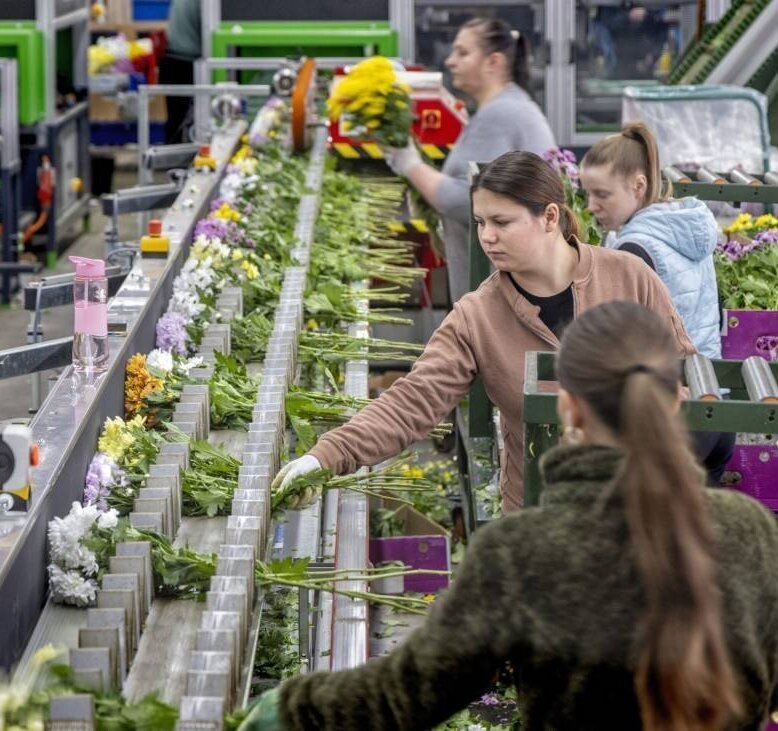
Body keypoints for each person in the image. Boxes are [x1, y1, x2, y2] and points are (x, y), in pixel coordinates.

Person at [243, 301, 778, 730]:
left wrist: (287, 711)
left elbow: (403, 697)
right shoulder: (749, 532)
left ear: (566, 406)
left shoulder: (523, 553)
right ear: (678, 397)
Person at [273, 150, 695, 513]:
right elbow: (413, 401)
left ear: (550, 217)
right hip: (539, 516)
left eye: (502, 222)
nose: (487, 237)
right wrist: (326, 456)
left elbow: (683, 377)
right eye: (479, 222)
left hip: (640, 505)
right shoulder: (478, 316)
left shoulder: (628, 277)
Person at [580, 121, 734, 485]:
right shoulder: (685, 228)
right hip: (716, 410)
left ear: (638, 186)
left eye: (602, 194)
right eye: (586, 194)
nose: (590, 206)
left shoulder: (634, 249)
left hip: (672, 417)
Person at [383, 17, 556, 303]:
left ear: (493, 62)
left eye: (463, 53)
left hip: (500, 298)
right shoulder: (511, 106)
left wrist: (409, 163)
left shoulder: (500, 114)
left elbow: (468, 200)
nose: (451, 62)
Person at [159, 0, 201, 144]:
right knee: (183, 124)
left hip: (171, 61)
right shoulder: (205, 3)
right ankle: (177, 163)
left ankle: (171, 163)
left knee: (175, 122)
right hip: (186, 64)